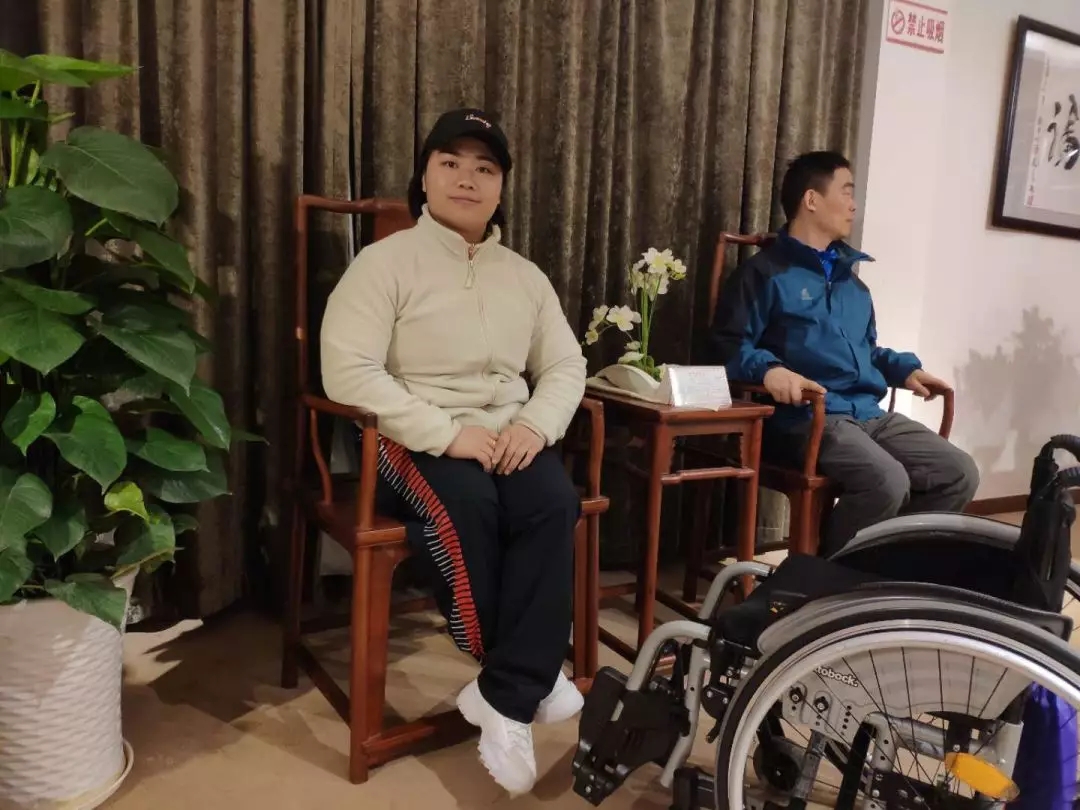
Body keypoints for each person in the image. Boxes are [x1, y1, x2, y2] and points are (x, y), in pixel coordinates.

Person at [320, 108, 587, 796]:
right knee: (466, 505)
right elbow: (348, 371)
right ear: (425, 177)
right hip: (411, 434)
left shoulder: (524, 276)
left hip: (508, 434)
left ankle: (503, 694)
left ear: (501, 188)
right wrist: (446, 433)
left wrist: (535, 426)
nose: (467, 178)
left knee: (554, 501)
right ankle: (528, 678)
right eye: (450, 163)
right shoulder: (384, 264)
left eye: (485, 168)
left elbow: (565, 365)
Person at [709, 150, 979, 556]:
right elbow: (728, 345)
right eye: (847, 192)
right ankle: (828, 578)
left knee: (958, 472)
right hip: (806, 418)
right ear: (811, 199)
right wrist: (769, 371)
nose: (854, 205)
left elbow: (867, 352)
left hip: (868, 414)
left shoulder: (854, 286)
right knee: (887, 480)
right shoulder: (764, 274)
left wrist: (904, 370)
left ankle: (888, 567)